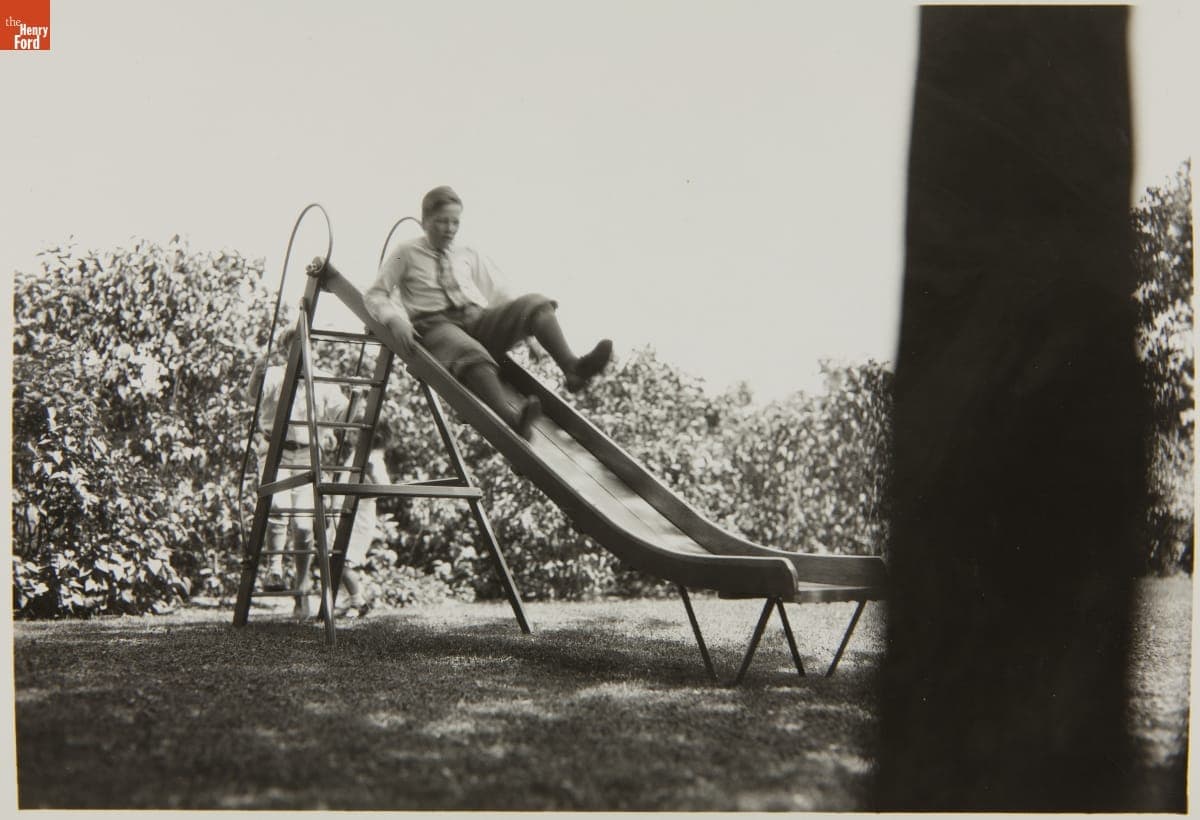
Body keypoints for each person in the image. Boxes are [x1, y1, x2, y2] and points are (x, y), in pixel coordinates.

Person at [364, 185, 612, 439]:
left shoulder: (466, 251)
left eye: (455, 222)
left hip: (476, 319)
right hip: (436, 326)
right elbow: (375, 293)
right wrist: (394, 319)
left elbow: (499, 291)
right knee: (470, 353)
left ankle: (572, 369)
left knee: (535, 303)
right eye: (441, 222)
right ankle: (513, 420)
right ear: (424, 221)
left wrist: (528, 334)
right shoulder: (406, 252)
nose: (449, 229)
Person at [246, 326, 357, 620]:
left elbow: (343, 413)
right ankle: (274, 569)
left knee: (306, 525)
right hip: (275, 450)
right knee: (278, 508)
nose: (302, 350)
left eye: (307, 344)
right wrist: (257, 372)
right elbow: (252, 398)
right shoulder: (273, 375)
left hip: (309, 453)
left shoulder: (322, 379)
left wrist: (358, 399)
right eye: (295, 345)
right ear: (285, 349)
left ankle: (302, 587)